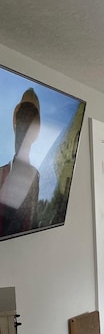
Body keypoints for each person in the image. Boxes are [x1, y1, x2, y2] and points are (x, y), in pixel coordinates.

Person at [0, 88, 41, 238]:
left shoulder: (35, 176)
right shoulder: (2, 173)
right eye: (23, 117)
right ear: (16, 124)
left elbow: (34, 219)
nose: (26, 126)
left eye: (31, 119)